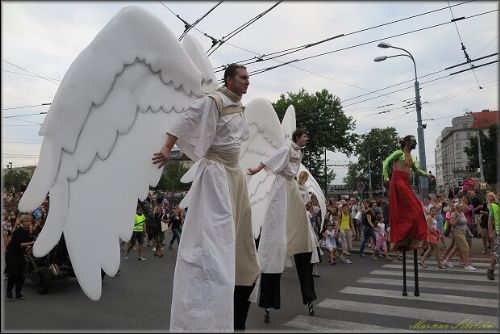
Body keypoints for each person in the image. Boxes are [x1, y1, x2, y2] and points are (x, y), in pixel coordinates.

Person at [152, 64, 260, 331]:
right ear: (229, 80)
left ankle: (236, 299)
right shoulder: (214, 101)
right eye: (243, 78)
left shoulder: (237, 105)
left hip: (234, 174)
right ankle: (207, 312)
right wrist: (167, 147)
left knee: (239, 240)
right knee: (216, 243)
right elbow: (186, 118)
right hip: (216, 176)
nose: (248, 82)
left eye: (248, 78)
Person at [248, 129, 318, 322]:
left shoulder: (299, 152)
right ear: (297, 137)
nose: (307, 138)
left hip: (291, 186)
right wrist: (255, 169)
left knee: (302, 230)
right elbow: (271, 159)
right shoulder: (287, 148)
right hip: (280, 188)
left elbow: (295, 173)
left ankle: (309, 292)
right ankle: (268, 299)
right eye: (305, 136)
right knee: (274, 237)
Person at [383, 135, 435, 296]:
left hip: (405, 183)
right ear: (406, 142)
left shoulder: (411, 158)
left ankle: (411, 234)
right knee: (412, 210)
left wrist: (428, 175)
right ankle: (402, 234)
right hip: (397, 183)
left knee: (417, 211)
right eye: (412, 140)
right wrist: (386, 178)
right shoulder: (398, 153)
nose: (415, 142)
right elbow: (385, 162)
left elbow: (417, 170)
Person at [5, 214, 35, 300]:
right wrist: (32, 243)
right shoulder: (19, 231)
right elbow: (20, 244)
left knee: (21, 275)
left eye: (29, 221)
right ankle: (9, 292)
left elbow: (25, 244)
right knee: (13, 274)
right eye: (26, 221)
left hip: (20, 254)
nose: (28, 223)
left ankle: (18, 293)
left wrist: (30, 247)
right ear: (22, 222)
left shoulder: (27, 231)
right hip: (11, 254)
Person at [486, 192, 499, 280]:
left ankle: (491, 269)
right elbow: (490, 221)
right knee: (498, 254)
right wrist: (490, 232)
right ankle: (491, 269)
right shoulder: (494, 206)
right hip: (499, 233)